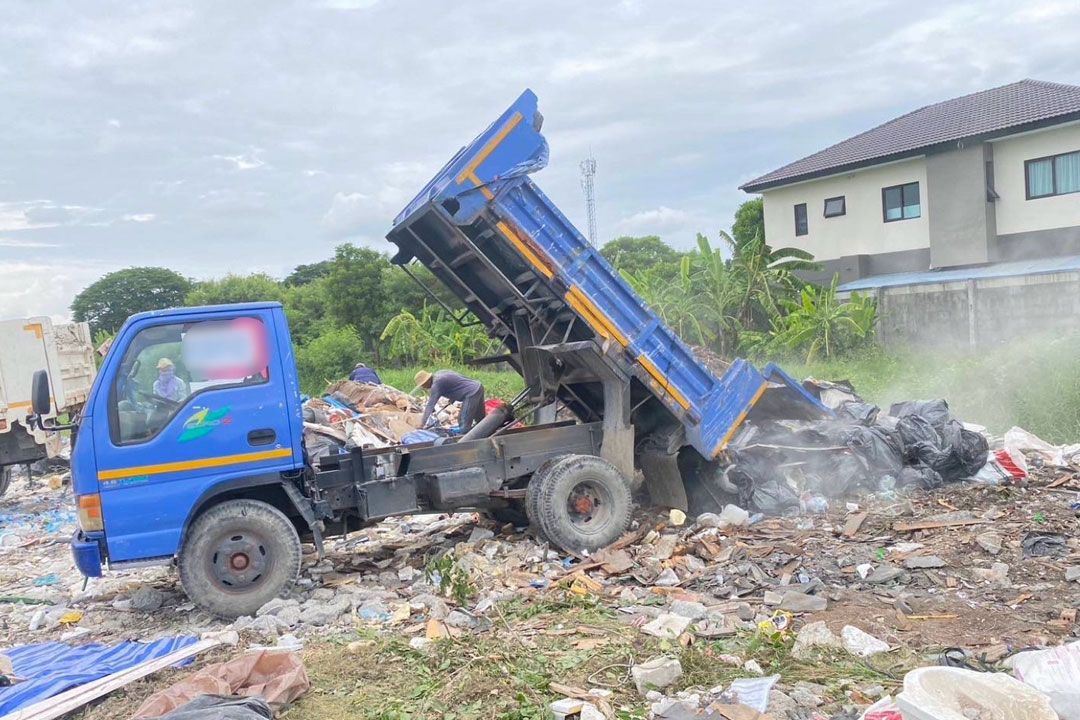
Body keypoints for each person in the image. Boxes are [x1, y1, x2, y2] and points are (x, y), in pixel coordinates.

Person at [415, 369, 485, 433]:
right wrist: (452, 399)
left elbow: (430, 405)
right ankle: (485, 433)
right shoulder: (440, 373)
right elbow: (457, 382)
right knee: (481, 419)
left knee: (464, 423)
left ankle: (464, 442)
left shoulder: (436, 384)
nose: (424, 387)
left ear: (428, 381)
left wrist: (422, 424)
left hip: (471, 393)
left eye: (423, 385)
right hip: (478, 387)